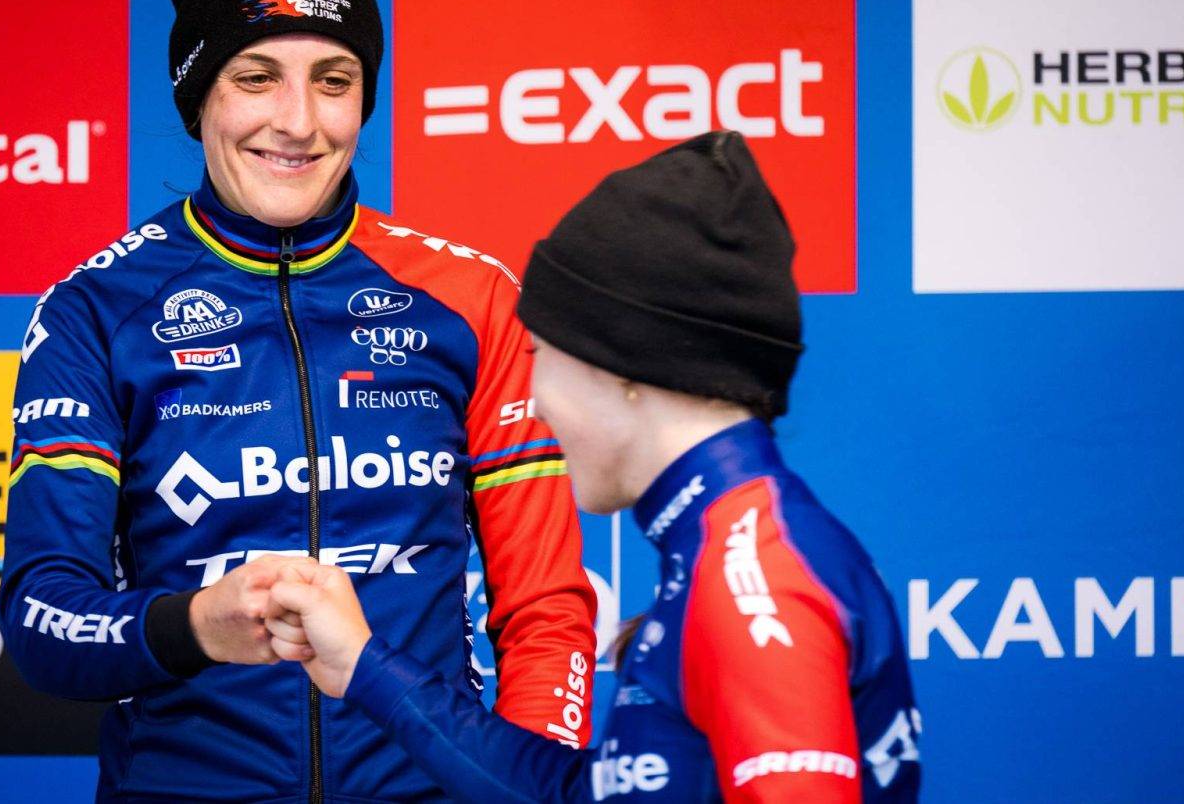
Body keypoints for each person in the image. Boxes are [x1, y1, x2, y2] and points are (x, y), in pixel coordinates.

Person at [0, 0, 597, 800]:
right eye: (257, 75)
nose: (299, 121)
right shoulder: (97, 311)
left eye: (335, 78)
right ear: (198, 92)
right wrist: (195, 626)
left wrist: (532, 782)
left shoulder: (472, 301)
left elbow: (546, 611)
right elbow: (44, 622)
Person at [261, 132, 923, 802]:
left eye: (541, 352)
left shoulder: (751, 579)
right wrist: (366, 669)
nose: (537, 399)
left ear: (626, 367)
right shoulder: (729, 545)